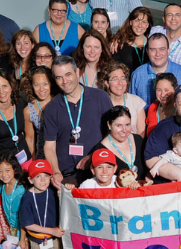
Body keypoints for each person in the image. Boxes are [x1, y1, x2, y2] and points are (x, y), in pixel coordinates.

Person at [43, 55, 114, 188]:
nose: (64, 81)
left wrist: (94, 156)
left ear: (77, 72)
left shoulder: (100, 98)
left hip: (98, 174)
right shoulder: (52, 108)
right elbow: (49, 146)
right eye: (59, 77)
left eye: (68, 74)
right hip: (67, 176)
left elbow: (112, 135)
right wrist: (56, 172)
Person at [20, 160, 64, 249]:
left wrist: (62, 193)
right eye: (38, 176)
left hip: (54, 236)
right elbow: (27, 224)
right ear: (30, 179)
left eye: (46, 176)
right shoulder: (27, 198)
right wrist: (51, 231)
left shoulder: (51, 192)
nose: (43, 180)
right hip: (39, 239)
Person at [0, 153, 30, 249]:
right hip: (12, 227)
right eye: (0, 171)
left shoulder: (20, 189)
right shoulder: (3, 187)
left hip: (22, 227)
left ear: (15, 169)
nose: (4, 174)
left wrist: (22, 238)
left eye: (7, 170)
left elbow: (24, 217)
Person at [130, 33, 181, 105]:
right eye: (153, 50)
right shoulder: (137, 75)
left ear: (168, 50)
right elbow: (132, 106)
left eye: (162, 49)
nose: (158, 54)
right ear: (147, 51)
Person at [99, 61, 146, 137]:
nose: (120, 83)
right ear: (106, 83)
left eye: (123, 78)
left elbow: (141, 134)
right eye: (115, 79)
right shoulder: (101, 103)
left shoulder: (137, 102)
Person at [22, 66, 56, 160]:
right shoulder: (28, 110)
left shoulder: (60, 102)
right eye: (37, 85)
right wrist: (33, 162)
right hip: (42, 157)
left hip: (61, 155)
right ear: (31, 86)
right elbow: (30, 139)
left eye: (45, 84)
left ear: (51, 84)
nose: (41, 89)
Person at [111, 6, 152, 72]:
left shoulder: (152, 44)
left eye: (143, 22)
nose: (140, 25)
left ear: (147, 25)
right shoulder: (119, 45)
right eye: (137, 21)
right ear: (130, 22)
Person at [145, 73, 178, 137]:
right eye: (159, 90)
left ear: (175, 90)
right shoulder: (153, 107)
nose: (162, 94)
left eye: (166, 90)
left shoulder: (179, 109)